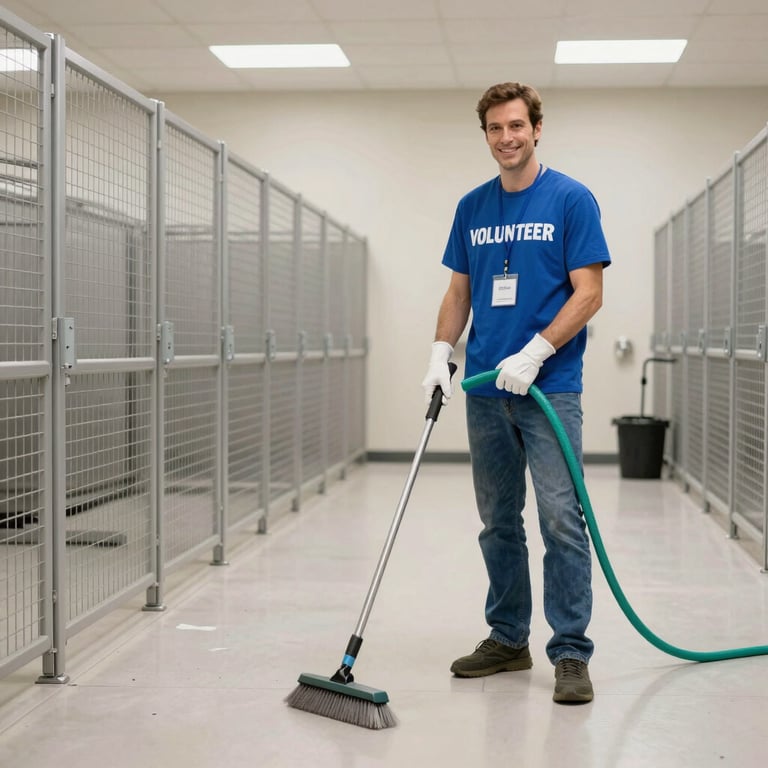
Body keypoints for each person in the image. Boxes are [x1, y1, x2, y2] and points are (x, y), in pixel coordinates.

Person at [421, 82, 611, 704]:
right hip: (485, 391)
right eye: (496, 128)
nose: (507, 137)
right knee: (497, 520)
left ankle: (570, 653)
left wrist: (536, 351)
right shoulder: (472, 207)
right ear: (486, 135)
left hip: (550, 389)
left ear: (536, 129)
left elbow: (589, 293)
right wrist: (439, 353)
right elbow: (459, 293)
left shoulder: (571, 198)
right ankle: (508, 638)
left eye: (517, 126)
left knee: (561, 519)